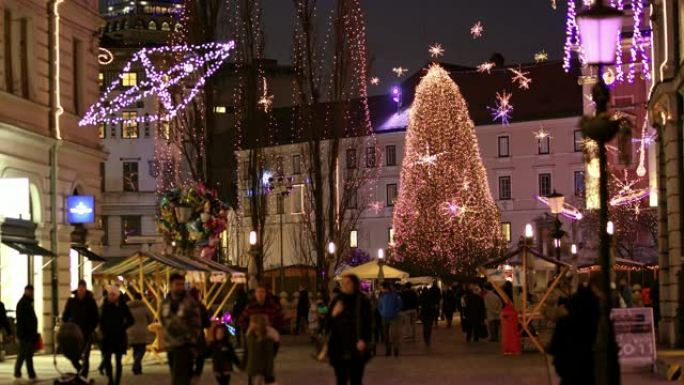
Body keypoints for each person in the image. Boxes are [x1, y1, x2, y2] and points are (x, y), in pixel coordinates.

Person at [548, 281, 600, 385]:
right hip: (586, 371)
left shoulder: (565, 322)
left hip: (570, 373)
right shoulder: (594, 321)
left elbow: (555, 349)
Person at [327, 274, 372, 385]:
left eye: (348, 283)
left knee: (356, 380)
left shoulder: (362, 300)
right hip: (338, 347)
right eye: (343, 283)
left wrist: (364, 339)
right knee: (341, 380)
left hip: (356, 346)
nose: (344, 285)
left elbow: (369, 323)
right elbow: (327, 324)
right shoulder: (337, 300)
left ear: (355, 284)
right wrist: (334, 313)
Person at [161, 273, 203, 385]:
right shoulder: (165, 303)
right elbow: (162, 320)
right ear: (170, 285)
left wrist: (191, 339)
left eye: (182, 284)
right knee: (176, 374)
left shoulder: (190, 302)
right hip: (171, 345)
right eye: (177, 284)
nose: (179, 287)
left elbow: (197, 323)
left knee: (180, 378)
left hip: (185, 345)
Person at [62, 279, 100, 376]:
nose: (81, 291)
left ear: (85, 289)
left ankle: (84, 375)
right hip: (74, 333)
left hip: (87, 333)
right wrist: (67, 325)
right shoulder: (71, 301)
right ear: (78, 289)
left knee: (85, 356)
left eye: (83, 289)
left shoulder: (90, 301)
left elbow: (96, 316)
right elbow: (65, 316)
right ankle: (80, 370)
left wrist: (92, 327)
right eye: (80, 288)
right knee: (73, 356)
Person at [100, 286, 134, 385]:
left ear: (117, 295)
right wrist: (102, 330)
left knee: (118, 361)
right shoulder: (105, 305)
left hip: (119, 336)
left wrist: (123, 327)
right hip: (107, 336)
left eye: (113, 294)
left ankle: (117, 382)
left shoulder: (123, 305)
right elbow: (101, 319)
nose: (111, 296)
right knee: (107, 360)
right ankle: (110, 380)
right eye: (110, 294)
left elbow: (131, 320)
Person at [245, 314, 278, 385]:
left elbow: (270, 356)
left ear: (258, 324)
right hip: (251, 369)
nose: (250, 324)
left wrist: (269, 371)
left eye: (252, 322)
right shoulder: (250, 336)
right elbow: (247, 352)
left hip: (260, 370)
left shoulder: (267, 339)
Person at [14, 285, 37, 381]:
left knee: (26, 354)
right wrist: (26, 334)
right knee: (25, 354)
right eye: (31, 292)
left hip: (27, 334)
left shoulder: (26, 303)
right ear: (27, 291)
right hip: (25, 334)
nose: (32, 294)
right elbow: (24, 321)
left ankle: (23, 372)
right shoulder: (23, 303)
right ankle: (22, 372)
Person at [190, 287, 211, 384]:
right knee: (200, 357)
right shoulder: (201, 306)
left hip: (187, 336)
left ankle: (190, 375)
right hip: (199, 335)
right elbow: (207, 323)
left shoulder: (184, 306)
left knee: (188, 356)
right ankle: (196, 376)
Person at [127, 292, 152, 375]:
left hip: (131, 331)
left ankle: (138, 369)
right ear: (141, 298)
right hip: (142, 331)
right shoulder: (144, 307)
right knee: (142, 349)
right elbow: (150, 318)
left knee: (135, 350)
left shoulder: (128, 307)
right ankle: (136, 365)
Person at [377, 282, 403, 357]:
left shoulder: (395, 295)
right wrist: (381, 312)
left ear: (385, 288)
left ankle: (395, 349)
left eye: (381, 287)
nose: (380, 289)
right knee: (386, 335)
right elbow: (379, 306)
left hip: (394, 317)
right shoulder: (381, 296)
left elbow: (400, 304)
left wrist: (395, 311)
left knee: (394, 334)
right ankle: (388, 349)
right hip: (384, 317)